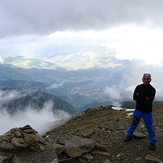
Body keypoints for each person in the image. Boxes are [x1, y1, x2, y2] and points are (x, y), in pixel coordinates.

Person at [124, 73, 157, 150]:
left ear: (150, 80)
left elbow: (149, 101)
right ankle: (129, 135)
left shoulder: (152, 90)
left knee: (149, 127)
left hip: (147, 112)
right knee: (134, 123)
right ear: (142, 79)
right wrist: (145, 98)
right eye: (144, 78)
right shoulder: (138, 87)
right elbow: (134, 97)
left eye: (147, 79)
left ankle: (152, 142)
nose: (146, 80)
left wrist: (140, 97)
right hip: (138, 110)